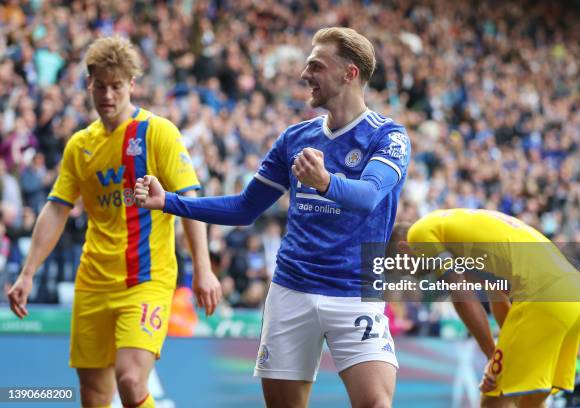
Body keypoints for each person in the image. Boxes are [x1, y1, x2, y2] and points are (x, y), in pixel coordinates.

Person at [134, 27, 410, 408]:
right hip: (291, 290)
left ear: (349, 73)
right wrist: (170, 202)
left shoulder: (389, 137)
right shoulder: (295, 138)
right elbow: (245, 207)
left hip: (355, 293)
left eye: (316, 65)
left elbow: (367, 197)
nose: (304, 74)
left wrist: (325, 181)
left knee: (377, 404)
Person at [7, 36, 222, 408]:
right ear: (89, 84)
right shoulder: (79, 145)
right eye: (101, 86)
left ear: (132, 85)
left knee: (131, 380)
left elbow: (190, 200)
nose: (108, 95)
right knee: (93, 396)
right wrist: (27, 273)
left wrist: (203, 269)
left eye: (117, 86)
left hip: (147, 280)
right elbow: (57, 208)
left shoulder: (159, 132)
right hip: (92, 282)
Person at [391, 209, 580, 408]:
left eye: (399, 267)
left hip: (545, 298)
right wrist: (507, 351)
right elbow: (498, 297)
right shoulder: (463, 227)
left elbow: (462, 298)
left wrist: (492, 356)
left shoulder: (419, 234)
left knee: (493, 399)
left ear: (402, 249)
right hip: (579, 297)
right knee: (529, 400)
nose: (405, 275)